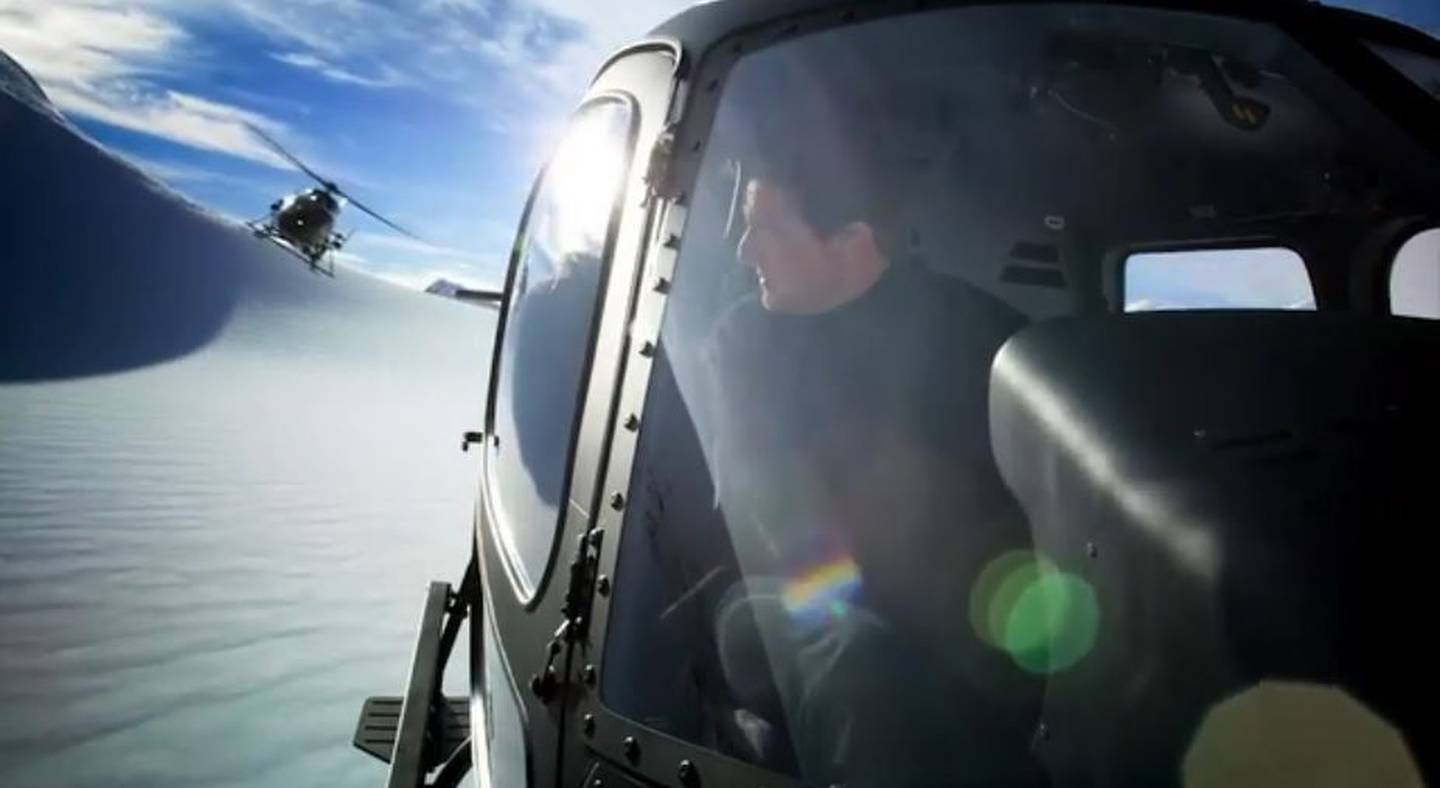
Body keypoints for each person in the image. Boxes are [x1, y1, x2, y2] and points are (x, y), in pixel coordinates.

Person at [698, 129, 1046, 783]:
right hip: (779, 601)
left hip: (941, 608)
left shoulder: (984, 333)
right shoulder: (743, 343)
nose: (746, 252)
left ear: (853, 242)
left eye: (766, 228)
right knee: (861, 661)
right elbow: (774, 522)